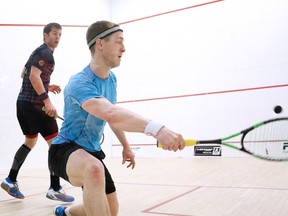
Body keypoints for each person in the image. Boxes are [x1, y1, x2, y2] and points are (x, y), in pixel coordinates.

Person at [50, 20, 185, 216]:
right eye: (119, 41)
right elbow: (109, 113)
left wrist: (126, 146)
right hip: (64, 150)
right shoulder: (79, 82)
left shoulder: (111, 80)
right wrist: (158, 130)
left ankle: (67, 213)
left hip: (92, 152)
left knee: (111, 211)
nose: (124, 48)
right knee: (94, 169)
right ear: (100, 44)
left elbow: (113, 115)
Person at [1, 23, 74, 202]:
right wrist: (47, 101)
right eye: (54, 34)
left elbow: (24, 74)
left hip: (22, 104)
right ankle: (55, 188)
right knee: (56, 143)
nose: (57, 37)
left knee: (30, 141)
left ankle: (10, 180)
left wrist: (48, 85)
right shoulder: (46, 53)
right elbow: (33, 77)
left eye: (60, 35)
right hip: (35, 106)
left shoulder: (36, 52)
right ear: (45, 35)